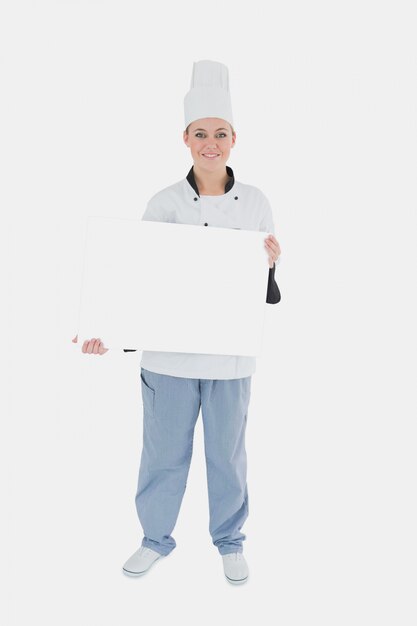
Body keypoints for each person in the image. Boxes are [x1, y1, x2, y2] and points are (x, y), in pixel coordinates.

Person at [72, 60, 281, 585]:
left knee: (227, 458)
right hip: (167, 360)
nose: (211, 142)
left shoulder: (255, 202)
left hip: (230, 359)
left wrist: (271, 265)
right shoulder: (163, 203)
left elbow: (263, 291)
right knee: (163, 453)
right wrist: (105, 331)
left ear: (235, 139)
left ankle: (230, 542)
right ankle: (154, 539)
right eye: (201, 134)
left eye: (220, 134)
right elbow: (133, 280)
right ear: (185, 139)